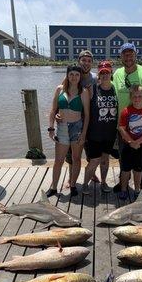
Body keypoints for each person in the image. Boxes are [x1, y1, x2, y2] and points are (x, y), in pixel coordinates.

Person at [113, 42, 142, 197]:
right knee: (123, 155)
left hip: (141, 123)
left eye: (130, 53)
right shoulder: (118, 73)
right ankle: (123, 183)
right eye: (125, 54)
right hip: (123, 125)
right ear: (121, 56)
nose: (128, 57)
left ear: (135, 55)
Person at [47, 64, 90, 197]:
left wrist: (83, 134)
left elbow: (87, 115)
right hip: (62, 128)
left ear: (80, 76)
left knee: (76, 159)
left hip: (77, 128)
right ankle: (54, 187)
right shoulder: (59, 89)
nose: (74, 77)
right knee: (58, 161)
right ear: (67, 75)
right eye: (71, 74)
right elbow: (53, 110)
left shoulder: (83, 92)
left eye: (77, 74)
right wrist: (51, 128)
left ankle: (72, 185)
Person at [64, 50, 100, 185]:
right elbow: (62, 94)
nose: (86, 63)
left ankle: (92, 174)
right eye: (83, 60)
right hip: (73, 121)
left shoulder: (96, 78)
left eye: (89, 61)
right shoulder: (73, 75)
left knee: (91, 151)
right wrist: (57, 113)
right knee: (71, 153)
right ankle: (70, 177)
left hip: (90, 121)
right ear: (79, 61)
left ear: (92, 63)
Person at [82, 60, 118, 194]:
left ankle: (103, 182)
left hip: (109, 133)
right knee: (94, 160)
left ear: (111, 73)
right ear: (98, 74)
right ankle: (85, 184)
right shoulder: (92, 89)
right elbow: (84, 109)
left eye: (107, 72)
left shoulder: (115, 89)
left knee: (105, 160)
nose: (105, 75)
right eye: (102, 73)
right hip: (95, 133)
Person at [118, 85, 142, 200]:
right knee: (125, 169)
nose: (137, 98)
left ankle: (137, 190)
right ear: (130, 97)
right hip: (127, 145)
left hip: (141, 145)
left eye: (139, 96)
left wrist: (137, 142)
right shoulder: (126, 111)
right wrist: (130, 141)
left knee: (138, 170)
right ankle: (123, 189)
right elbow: (121, 128)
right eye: (134, 96)